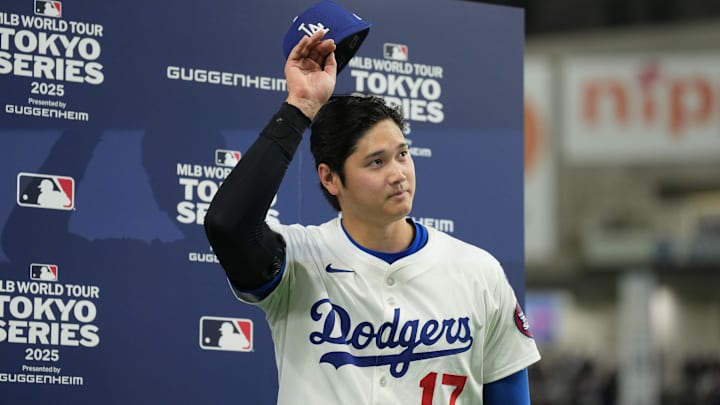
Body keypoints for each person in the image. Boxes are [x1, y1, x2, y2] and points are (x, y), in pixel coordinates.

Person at [204, 29, 540, 404]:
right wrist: (300, 105)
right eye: (376, 162)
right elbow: (228, 224)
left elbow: (510, 394)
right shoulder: (299, 259)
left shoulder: (479, 271)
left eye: (402, 154)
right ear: (330, 178)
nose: (398, 173)